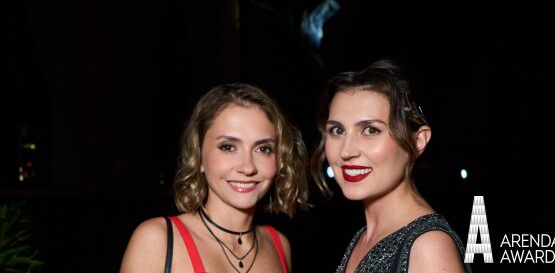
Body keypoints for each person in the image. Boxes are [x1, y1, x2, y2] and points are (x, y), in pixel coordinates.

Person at [121, 83, 309, 273]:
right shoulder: (157, 240)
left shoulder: (279, 245)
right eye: (228, 147)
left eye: (263, 149)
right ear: (198, 156)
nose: (248, 167)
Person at [311, 60, 471, 273]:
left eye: (370, 130)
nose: (346, 151)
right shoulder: (364, 237)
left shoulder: (429, 247)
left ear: (418, 141)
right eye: (338, 131)